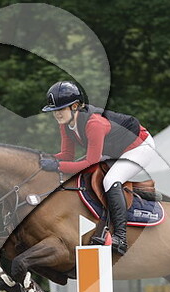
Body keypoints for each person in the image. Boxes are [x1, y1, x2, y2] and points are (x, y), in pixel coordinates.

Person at [40, 81, 156, 256]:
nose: (57, 114)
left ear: (75, 106)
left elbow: (90, 162)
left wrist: (57, 166)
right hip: (114, 150)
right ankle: (137, 193)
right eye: (54, 110)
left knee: (110, 180)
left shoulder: (94, 124)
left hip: (139, 146)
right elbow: (67, 155)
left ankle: (121, 238)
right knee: (82, 176)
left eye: (61, 109)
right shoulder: (65, 124)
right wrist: (42, 159)